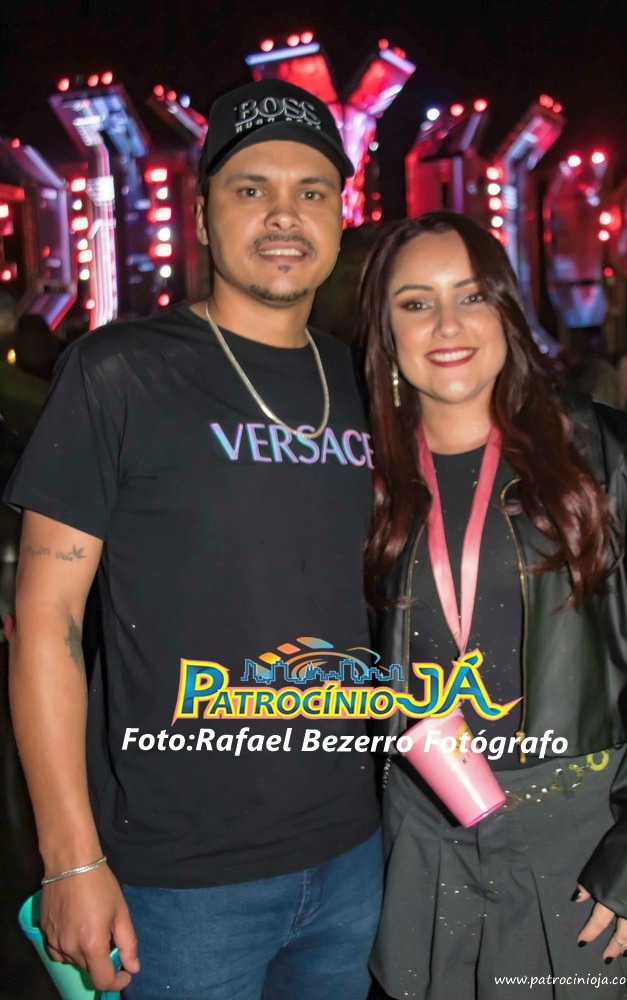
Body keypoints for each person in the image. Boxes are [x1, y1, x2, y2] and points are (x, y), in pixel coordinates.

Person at [4, 79, 382, 999]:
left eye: (311, 191)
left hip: (358, 857)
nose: (284, 214)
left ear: (339, 218)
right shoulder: (119, 374)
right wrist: (69, 858)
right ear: (204, 218)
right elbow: (47, 623)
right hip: (179, 886)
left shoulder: (371, 383)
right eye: (251, 189)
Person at [358, 211, 627, 999]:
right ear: (385, 331)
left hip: (581, 836)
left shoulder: (602, 450)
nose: (447, 325)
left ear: (505, 308)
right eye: (416, 303)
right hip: (422, 836)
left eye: (470, 296)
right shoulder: (364, 474)